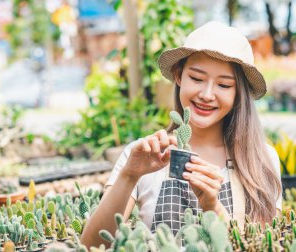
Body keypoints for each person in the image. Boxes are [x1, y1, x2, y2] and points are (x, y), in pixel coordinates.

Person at [81, 21, 282, 248]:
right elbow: (91, 245)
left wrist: (212, 207)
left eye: (224, 85)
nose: (207, 94)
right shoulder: (142, 156)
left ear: (239, 94)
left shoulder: (262, 159)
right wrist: (129, 175)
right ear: (179, 76)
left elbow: (264, 246)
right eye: (196, 78)